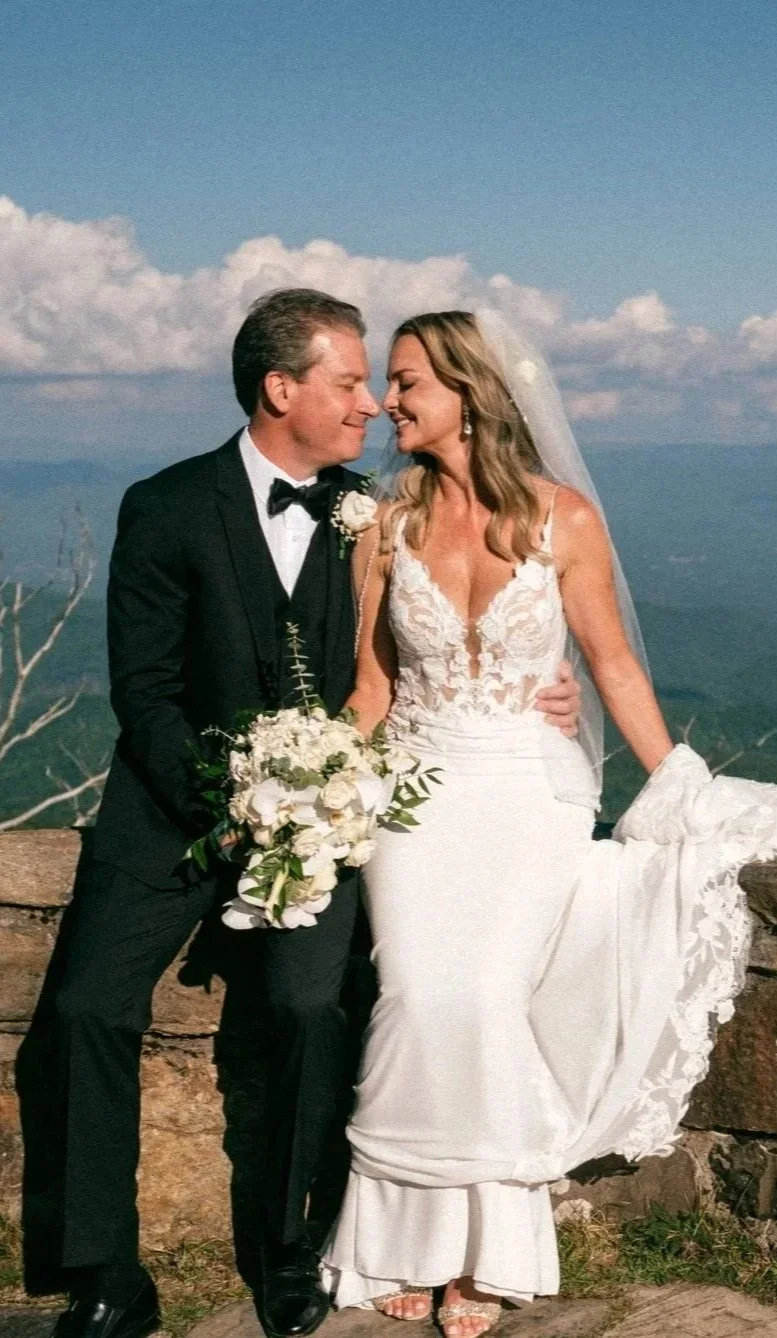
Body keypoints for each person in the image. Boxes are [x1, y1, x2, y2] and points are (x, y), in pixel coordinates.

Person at [318, 309, 777, 1338]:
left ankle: (488, 1253)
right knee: (414, 994)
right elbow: (372, 688)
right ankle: (400, 1240)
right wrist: (307, 786)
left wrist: (678, 786)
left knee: (480, 995)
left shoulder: (564, 520)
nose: (386, 403)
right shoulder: (384, 524)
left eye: (405, 384)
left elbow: (611, 666)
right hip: (415, 795)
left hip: (531, 789)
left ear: (468, 394)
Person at [13, 289, 584, 1338]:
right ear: (282, 389)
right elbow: (143, 692)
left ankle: (289, 1249)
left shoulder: (375, 511)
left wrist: (554, 688)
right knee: (85, 1009)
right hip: (170, 814)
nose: (368, 404)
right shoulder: (166, 505)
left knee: (309, 1009)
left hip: (326, 823)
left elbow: (424, 655)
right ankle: (103, 1274)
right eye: (347, 382)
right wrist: (232, 807)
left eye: (377, 384)